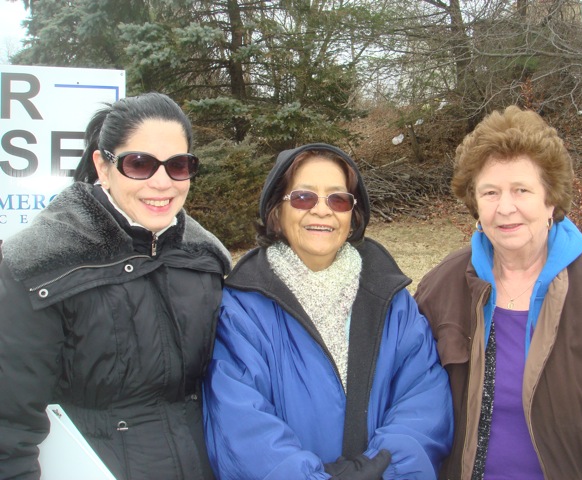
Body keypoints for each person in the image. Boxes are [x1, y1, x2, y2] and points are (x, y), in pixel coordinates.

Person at [0, 92, 231, 480]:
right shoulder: (40, 267)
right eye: (139, 164)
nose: (162, 183)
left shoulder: (205, 260)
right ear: (103, 167)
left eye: (178, 165)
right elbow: (9, 429)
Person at [413, 105, 582, 479]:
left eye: (521, 190)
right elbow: (412, 403)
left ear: (551, 198)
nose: (505, 208)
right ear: (475, 203)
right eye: (490, 192)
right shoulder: (443, 285)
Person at [201, 143, 453, 479]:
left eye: (338, 199)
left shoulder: (392, 302)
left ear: (353, 215)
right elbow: (241, 427)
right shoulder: (240, 311)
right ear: (276, 211)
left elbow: (423, 396)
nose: (322, 210)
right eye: (304, 197)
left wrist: (382, 469)